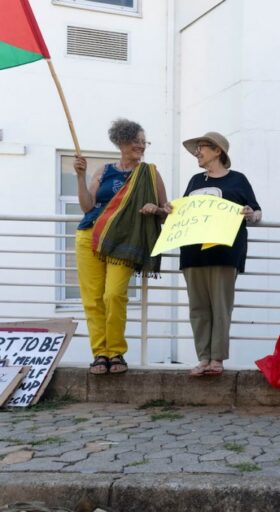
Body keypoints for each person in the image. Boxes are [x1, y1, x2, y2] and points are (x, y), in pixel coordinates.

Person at [74, 118, 169, 375]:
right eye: (136, 142)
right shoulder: (104, 171)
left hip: (124, 241)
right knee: (93, 299)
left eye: (143, 142)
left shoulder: (150, 172)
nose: (141, 146)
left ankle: (116, 351)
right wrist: (80, 176)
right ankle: (100, 354)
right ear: (122, 142)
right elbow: (86, 206)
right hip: (90, 235)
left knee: (114, 294)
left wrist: (156, 209)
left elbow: (167, 209)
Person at [178, 132, 261, 377]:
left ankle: (217, 359)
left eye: (201, 148)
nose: (197, 153)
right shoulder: (195, 181)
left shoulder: (238, 180)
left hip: (225, 252)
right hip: (193, 253)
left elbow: (256, 211)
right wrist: (171, 210)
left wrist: (251, 214)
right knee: (198, 308)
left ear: (217, 151)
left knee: (221, 306)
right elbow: (183, 211)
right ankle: (203, 358)